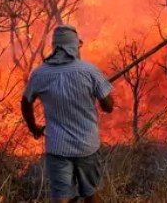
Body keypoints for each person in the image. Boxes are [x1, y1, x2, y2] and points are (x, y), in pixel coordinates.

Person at [21, 24, 114, 203]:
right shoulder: (89, 71)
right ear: (75, 47)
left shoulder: (39, 73)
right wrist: (101, 91)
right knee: (91, 194)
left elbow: (25, 102)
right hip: (87, 146)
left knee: (61, 198)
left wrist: (33, 128)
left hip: (57, 148)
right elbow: (108, 107)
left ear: (55, 48)